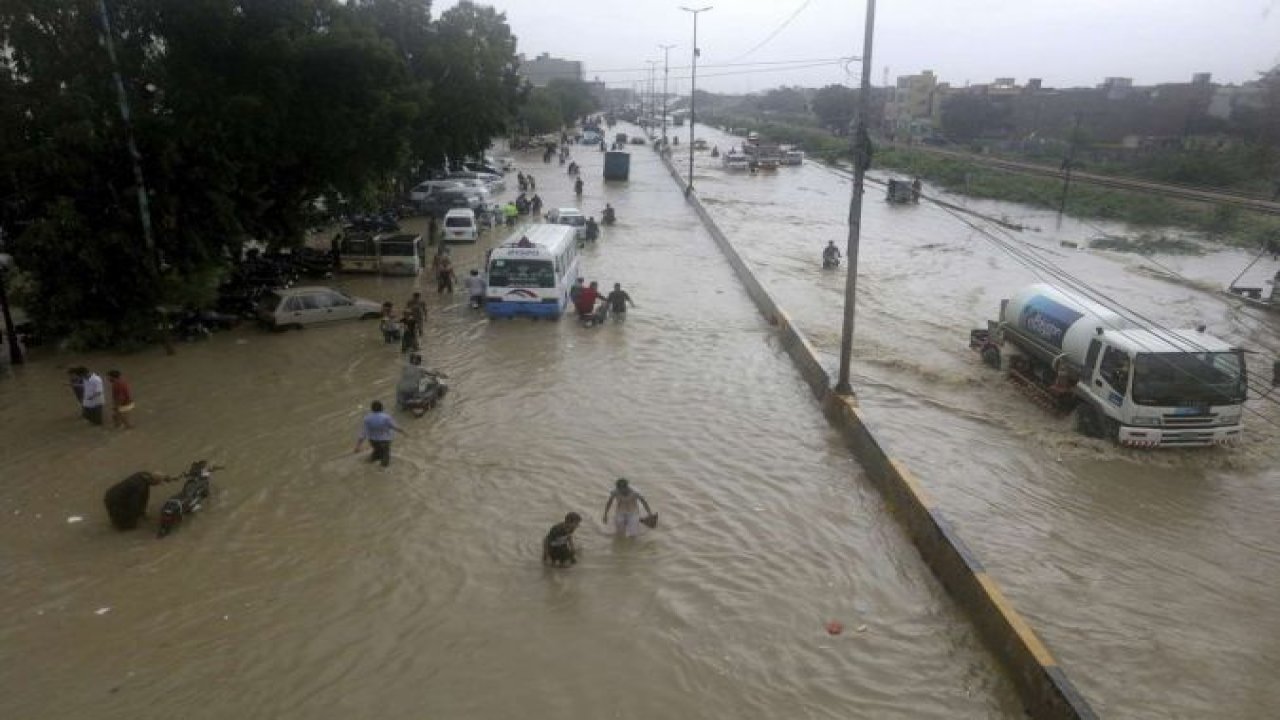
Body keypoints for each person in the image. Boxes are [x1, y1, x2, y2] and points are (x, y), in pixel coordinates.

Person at [103, 471, 173, 530]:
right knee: (129, 525)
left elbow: (154, 476)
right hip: (114, 501)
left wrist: (165, 477)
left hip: (111, 494)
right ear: (154, 482)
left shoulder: (143, 475)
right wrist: (135, 516)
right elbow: (134, 504)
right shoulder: (140, 487)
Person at [354, 400, 407, 468]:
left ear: (372, 409)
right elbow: (395, 427)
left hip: (373, 441)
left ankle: (367, 465)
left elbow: (363, 433)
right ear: (382, 408)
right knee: (385, 457)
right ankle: (381, 471)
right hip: (385, 441)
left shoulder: (367, 418)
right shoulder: (386, 417)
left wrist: (358, 446)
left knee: (377, 453)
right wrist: (404, 432)